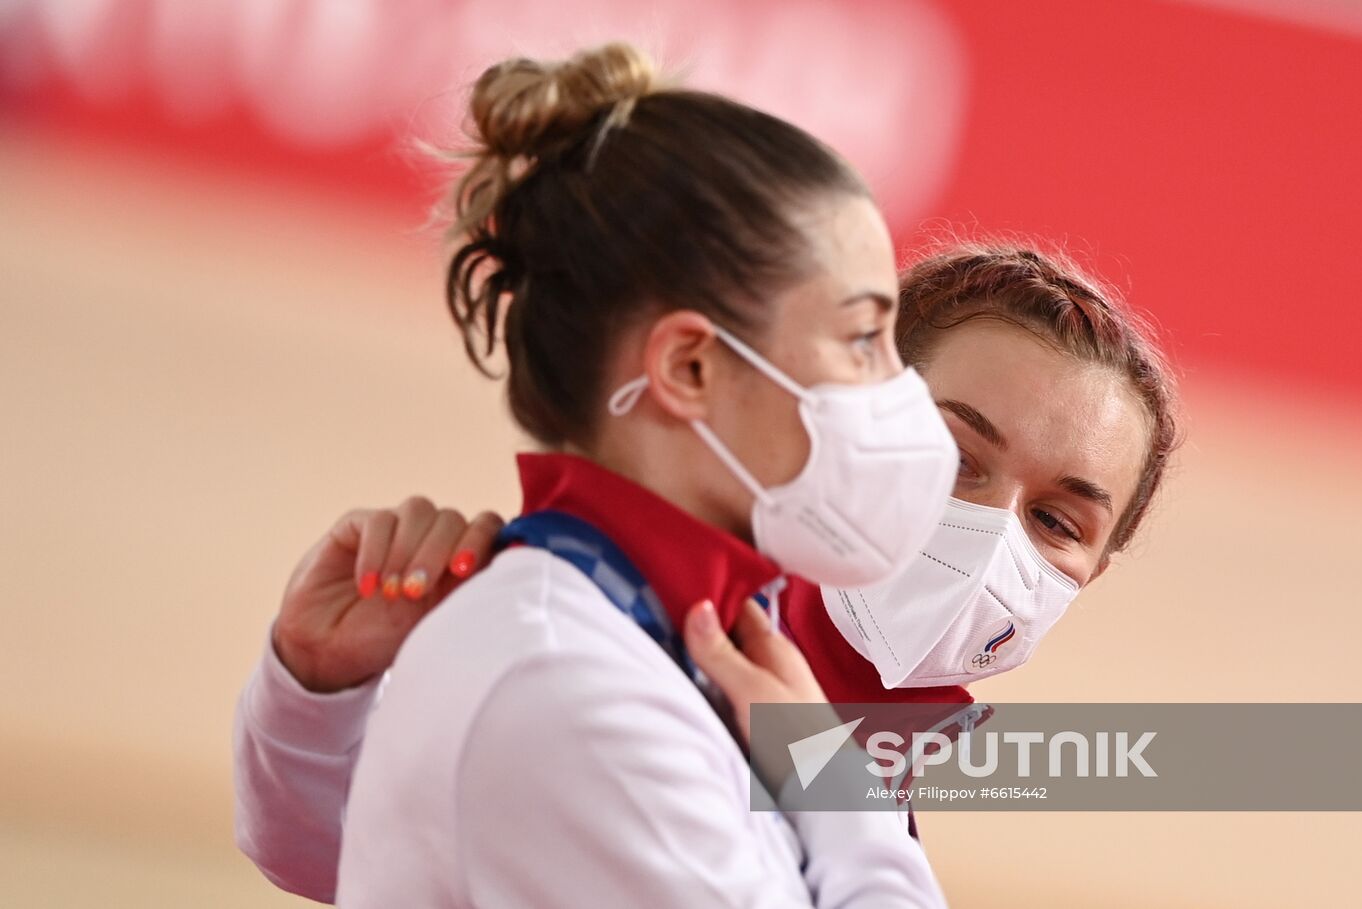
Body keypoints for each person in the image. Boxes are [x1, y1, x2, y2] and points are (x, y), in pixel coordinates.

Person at [236, 234, 1181, 902]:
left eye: (1057, 518)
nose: (985, 526)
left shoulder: (859, 765)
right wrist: (324, 689)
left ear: (1090, 573)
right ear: (856, 418)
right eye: (957, 453)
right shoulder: (645, 627)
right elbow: (353, 852)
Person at [259, 41, 969, 907]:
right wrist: (842, 796)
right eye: (863, 338)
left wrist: (314, 699)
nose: (900, 390)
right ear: (690, 369)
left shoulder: (664, 636)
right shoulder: (569, 681)